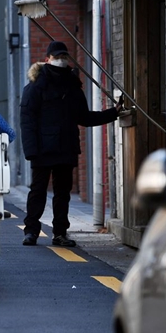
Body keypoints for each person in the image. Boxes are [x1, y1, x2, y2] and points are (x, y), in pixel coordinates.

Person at [20, 41, 122, 247]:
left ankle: (60, 233)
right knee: (38, 190)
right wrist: (31, 151)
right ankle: (31, 231)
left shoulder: (73, 85)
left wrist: (114, 113)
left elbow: (83, 117)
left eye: (64, 57)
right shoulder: (36, 85)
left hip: (66, 147)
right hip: (42, 149)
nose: (61, 60)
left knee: (62, 194)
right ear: (47, 59)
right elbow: (27, 119)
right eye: (58, 56)